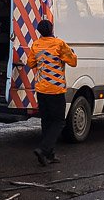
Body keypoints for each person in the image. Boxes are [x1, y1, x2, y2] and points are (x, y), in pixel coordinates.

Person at [25, 19, 77, 166]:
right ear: (52, 29)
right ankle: (43, 149)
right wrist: (71, 53)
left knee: (46, 121)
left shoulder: (36, 45)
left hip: (41, 90)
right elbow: (73, 62)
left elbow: (31, 63)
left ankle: (50, 155)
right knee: (59, 121)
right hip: (56, 90)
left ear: (39, 31)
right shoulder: (59, 44)